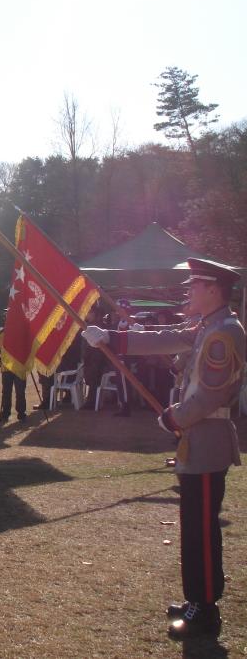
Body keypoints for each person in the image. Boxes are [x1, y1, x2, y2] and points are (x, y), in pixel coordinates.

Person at [83, 258, 244, 639]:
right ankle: (198, 600)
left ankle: (204, 609)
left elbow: (209, 395)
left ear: (212, 290)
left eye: (195, 285)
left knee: (201, 530)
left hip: (206, 440)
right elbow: (167, 336)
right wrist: (112, 338)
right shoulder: (209, 327)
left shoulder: (224, 333)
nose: (188, 291)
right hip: (198, 441)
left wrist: (174, 418)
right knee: (194, 525)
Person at [0, 328, 27, 423]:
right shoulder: (1, 334)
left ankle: (21, 414)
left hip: (19, 367)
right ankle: (5, 414)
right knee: (6, 392)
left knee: (20, 392)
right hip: (6, 368)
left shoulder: (22, 332)